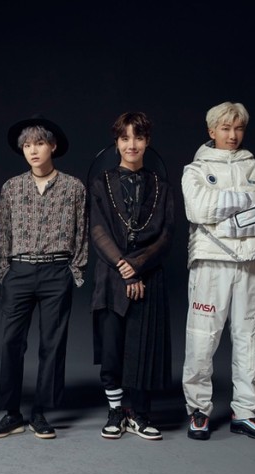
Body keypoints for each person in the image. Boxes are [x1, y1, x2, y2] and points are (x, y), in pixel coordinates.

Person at [181, 101, 255, 441]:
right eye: (225, 128)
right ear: (211, 131)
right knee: (202, 336)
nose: (232, 135)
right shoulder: (195, 170)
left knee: (250, 336)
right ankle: (199, 410)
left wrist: (230, 222)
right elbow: (198, 209)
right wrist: (249, 200)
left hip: (252, 262)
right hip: (211, 264)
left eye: (238, 128)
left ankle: (245, 411)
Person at [0, 115, 88, 440]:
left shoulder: (73, 187)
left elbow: (82, 232)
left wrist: (74, 270)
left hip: (57, 271)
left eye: (39, 143)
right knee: (10, 342)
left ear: (52, 146)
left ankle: (40, 412)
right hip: (19, 270)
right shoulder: (12, 188)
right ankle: (11, 413)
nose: (33, 150)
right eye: (27, 145)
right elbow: (4, 232)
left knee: (52, 344)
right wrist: (5, 271)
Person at [89, 112, 175, 441]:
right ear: (116, 143)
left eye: (138, 137)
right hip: (111, 276)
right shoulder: (101, 183)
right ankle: (115, 411)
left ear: (147, 141)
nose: (132, 145)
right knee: (112, 347)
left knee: (144, 347)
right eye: (125, 138)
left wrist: (137, 266)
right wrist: (124, 267)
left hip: (148, 275)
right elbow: (97, 230)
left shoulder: (161, 186)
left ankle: (139, 413)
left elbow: (166, 236)